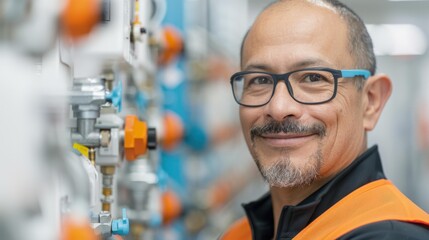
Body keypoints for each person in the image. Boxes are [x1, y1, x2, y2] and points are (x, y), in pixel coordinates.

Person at [220, 0, 429, 239]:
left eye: (312, 78)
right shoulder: (240, 233)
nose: (278, 108)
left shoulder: (390, 234)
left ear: (371, 102)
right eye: (260, 80)